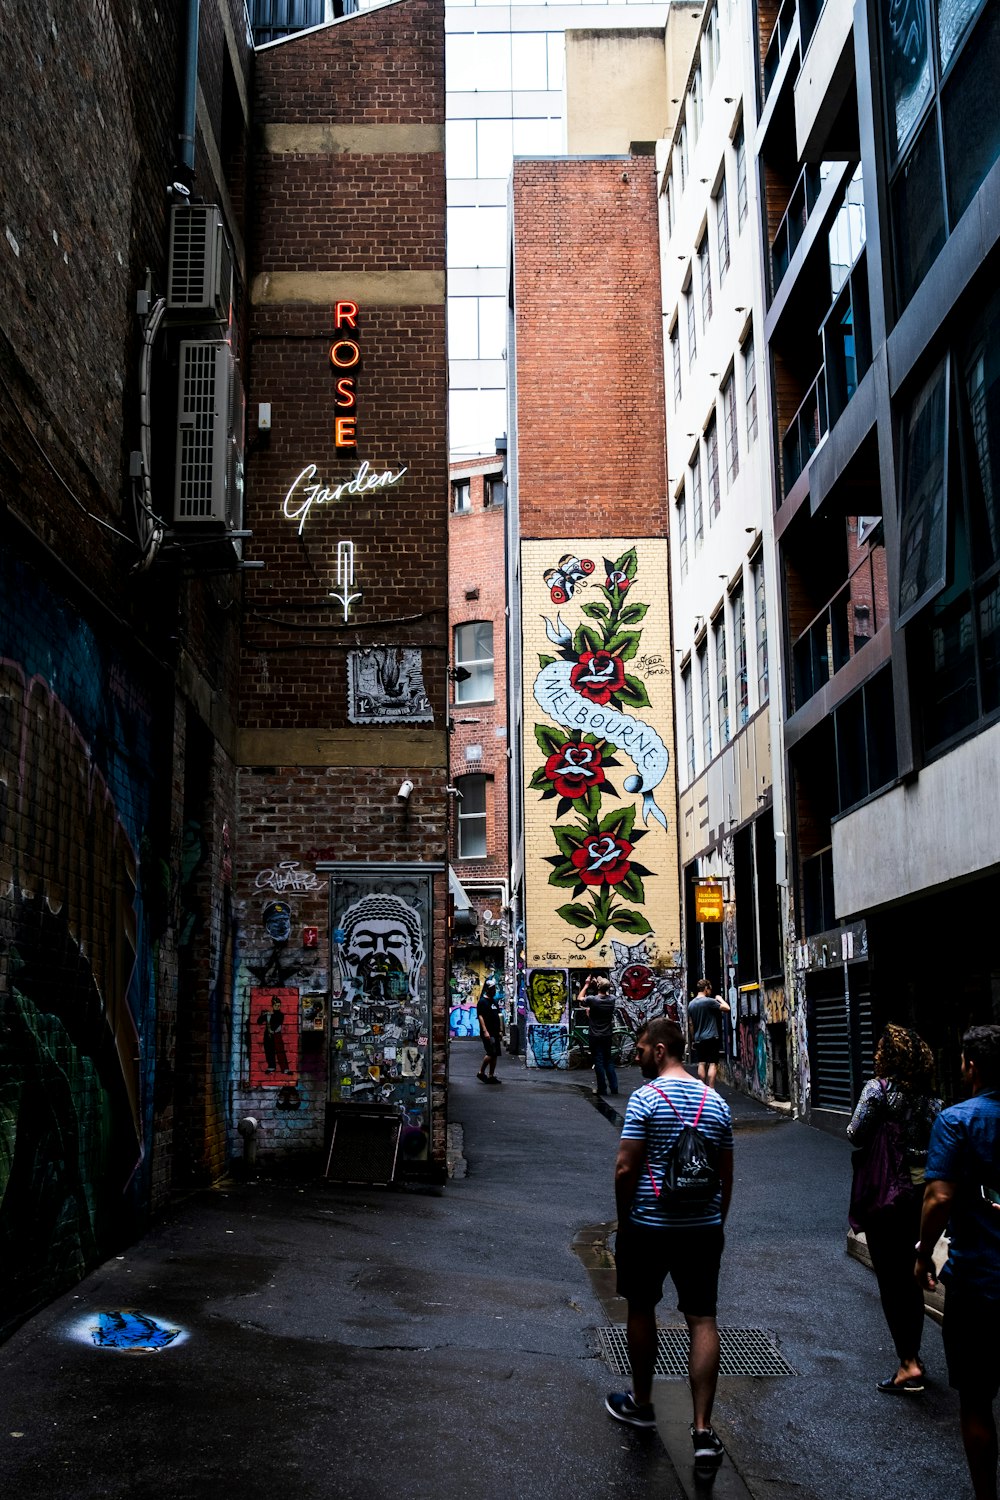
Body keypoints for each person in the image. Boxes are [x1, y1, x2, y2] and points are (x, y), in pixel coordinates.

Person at [605, 1017, 734, 1473]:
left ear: (660, 1050)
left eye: (640, 1049)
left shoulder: (645, 1099)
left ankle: (642, 1402)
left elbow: (625, 1168)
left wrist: (624, 1221)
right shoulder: (716, 1103)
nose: (636, 1056)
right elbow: (725, 1172)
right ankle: (702, 1431)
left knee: (642, 1307)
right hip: (701, 1227)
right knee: (703, 1319)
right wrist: (715, 1220)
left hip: (649, 1224)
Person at [916, 1026, 1000, 1500]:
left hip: (977, 1281)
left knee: (975, 1401)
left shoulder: (957, 1121)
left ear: (969, 1066)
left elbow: (938, 1198)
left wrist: (923, 1252)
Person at [846, 1024, 941, 1394]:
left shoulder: (879, 1090)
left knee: (890, 1280)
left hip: (886, 1194)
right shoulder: (933, 1099)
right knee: (912, 1275)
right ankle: (912, 1355)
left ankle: (908, 1363)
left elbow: (855, 1132)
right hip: (919, 1196)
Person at [687, 979, 730, 1091]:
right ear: (706, 988)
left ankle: (702, 1090)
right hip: (711, 1037)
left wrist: (693, 1039)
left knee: (701, 1063)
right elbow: (727, 1008)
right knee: (713, 1064)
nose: (710, 991)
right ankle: (711, 1089)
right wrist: (720, 999)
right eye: (709, 989)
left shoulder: (691, 1004)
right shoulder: (709, 1001)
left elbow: (691, 1024)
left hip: (699, 1038)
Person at [580, 973, 618, 1097]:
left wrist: (586, 985)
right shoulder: (612, 999)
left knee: (598, 1061)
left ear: (598, 987)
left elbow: (580, 998)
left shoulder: (592, 1000)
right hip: (607, 1035)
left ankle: (602, 1088)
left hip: (595, 1035)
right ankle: (614, 1087)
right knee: (608, 1061)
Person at [476, 979, 504, 1084]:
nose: (494, 991)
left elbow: (498, 1015)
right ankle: (481, 1072)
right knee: (490, 1053)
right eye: (492, 989)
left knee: (495, 1053)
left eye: (494, 989)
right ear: (487, 989)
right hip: (488, 1032)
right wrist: (485, 1031)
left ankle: (491, 1075)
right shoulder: (482, 1002)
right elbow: (480, 1016)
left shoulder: (494, 1001)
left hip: (495, 1032)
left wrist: (501, 1030)